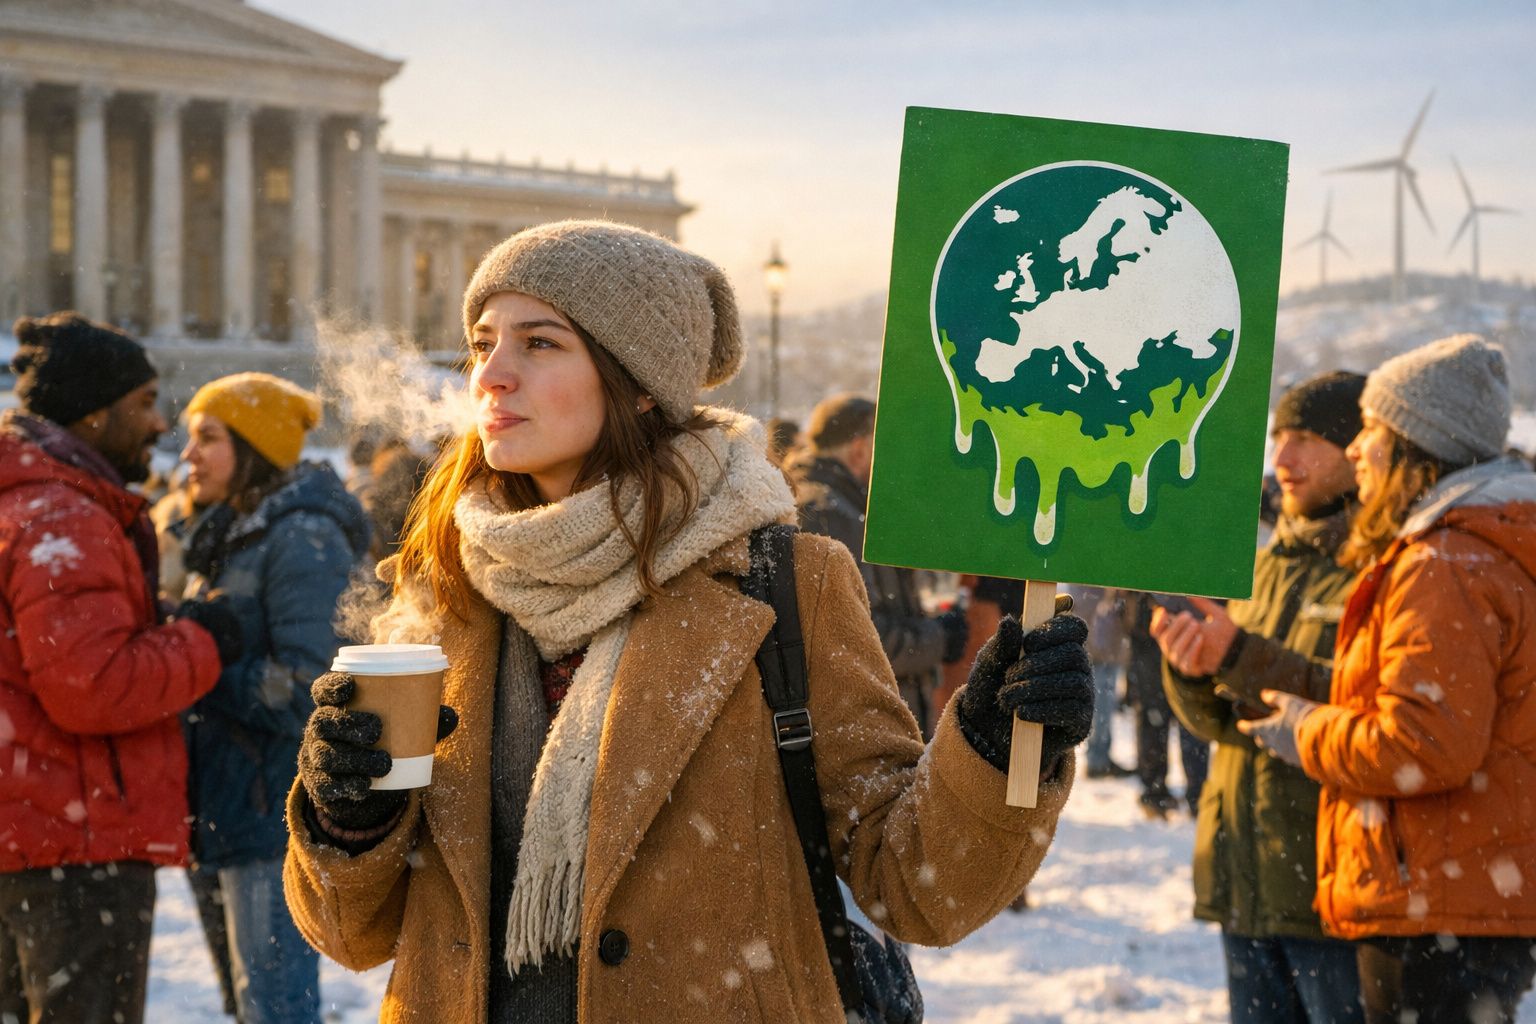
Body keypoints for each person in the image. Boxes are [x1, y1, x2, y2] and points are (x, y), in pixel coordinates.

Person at [283, 220, 1093, 1022]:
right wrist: (346, 819)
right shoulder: (442, 587)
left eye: (539, 344)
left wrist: (995, 745)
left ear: (638, 380)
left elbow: (916, 884)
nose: (490, 375)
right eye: (484, 342)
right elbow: (354, 933)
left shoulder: (787, 584)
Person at [1240, 335, 1536, 1023]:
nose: (1356, 451)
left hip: (1437, 907)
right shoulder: (1481, 550)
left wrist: (1307, 730)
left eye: (1371, 431)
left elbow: (1423, 743)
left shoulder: (1445, 564)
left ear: (1416, 450)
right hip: (1466, 894)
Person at [0, 312, 237, 1024]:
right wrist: (202, 639)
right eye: (142, 404)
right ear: (93, 417)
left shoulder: (31, 504)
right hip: (72, 847)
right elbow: (93, 686)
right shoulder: (60, 519)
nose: (160, 424)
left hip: (32, 831)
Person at [1154, 371, 1366, 1023]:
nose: (1282, 459)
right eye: (1279, 437)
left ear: (1356, 449)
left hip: (1331, 889)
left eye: (1305, 439)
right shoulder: (1268, 562)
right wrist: (1192, 670)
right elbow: (1229, 723)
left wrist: (1239, 658)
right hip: (1246, 874)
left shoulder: (1379, 565)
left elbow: (1374, 716)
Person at [175, 372, 370, 1024]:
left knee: (276, 1010)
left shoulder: (300, 537)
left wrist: (194, 662)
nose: (187, 455)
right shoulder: (231, 531)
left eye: (207, 437)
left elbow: (314, 688)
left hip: (270, 815)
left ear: (253, 447)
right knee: (251, 1006)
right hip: (222, 809)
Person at [787, 392, 968, 736]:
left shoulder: (820, 501)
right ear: (860, 449)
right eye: (885, 447)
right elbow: (858, 639)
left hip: (857, 720)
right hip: (866, 727)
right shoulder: (832, 516)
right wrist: (939, 637)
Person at [1124, 592, 1209, 818]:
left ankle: (1193, 792)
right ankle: (1159, 790)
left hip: (1188, 629)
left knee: (1190, 715)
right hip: (1156, 630)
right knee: (1157, 716)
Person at [1070, 585, 1132, 779]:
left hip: (1101, 633)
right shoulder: (1092, 578)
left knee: (1103, 699)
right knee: (1101, 701)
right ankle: (1097, 758)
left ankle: (1100, 755)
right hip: (1098, 635)